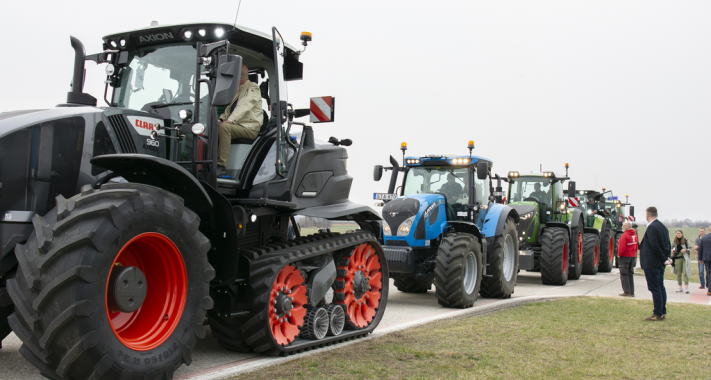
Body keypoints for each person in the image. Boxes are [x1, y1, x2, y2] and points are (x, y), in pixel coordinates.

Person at [217, 64, 264, 176]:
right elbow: (229, 109)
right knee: (209, 126)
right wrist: (220, 119)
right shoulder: (238, 91)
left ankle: (220, 166)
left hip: (249, 128)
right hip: (237, 125)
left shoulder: (253, 88)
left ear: (237, 77)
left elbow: (244, 105)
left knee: (225, 127)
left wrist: (230, 120)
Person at [638, 206, 672, 321]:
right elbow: (667, 244)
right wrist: (667, 257)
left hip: (652, 263)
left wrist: (664, 258)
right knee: (660, 287)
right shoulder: (663, 227)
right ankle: (662, 311)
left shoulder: (652, 227)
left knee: (655, 288)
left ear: (647, 215)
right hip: (660, 263)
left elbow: (654, 245)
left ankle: (657, 313)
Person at [617, 222, 638, 297]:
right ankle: (632, 291)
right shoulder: (635, 235)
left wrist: (619, 254)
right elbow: (636, 246)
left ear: (626, 227)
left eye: (623, 226)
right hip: (632, 256)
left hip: (625, 256)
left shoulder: (624, 235)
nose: (622, 227)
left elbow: (621, 247)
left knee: (624, 273)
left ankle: (626, 291)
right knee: (630, 273)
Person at [697, 228, 711, 296]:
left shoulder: (704, 237)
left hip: (707, 257)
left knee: (709, 272)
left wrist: (700, 258)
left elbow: (700, 248)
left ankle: (709, 290)